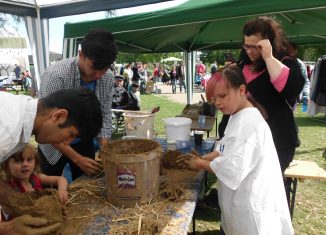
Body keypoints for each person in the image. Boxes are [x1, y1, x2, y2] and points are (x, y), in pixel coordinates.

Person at [181, 66, 293, 235]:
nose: (217, 103)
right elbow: (225, 146)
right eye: (214, 98)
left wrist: (200, 164)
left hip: (252, 218)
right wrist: (208, 156)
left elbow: (232, 169)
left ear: (241, 90)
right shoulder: (237, 114)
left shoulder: (248, 123)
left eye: (223, 96)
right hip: (239, 209)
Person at [217, 17, 305, 205]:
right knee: (246, 191)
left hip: (276, 142)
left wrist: (268, 56)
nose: (249, 51)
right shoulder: (242, 66)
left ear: (268, 42)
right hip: (244, 140)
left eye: (254, 46)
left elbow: (291, 89)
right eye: (246, 46)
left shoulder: (285, 62)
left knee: (267, 193)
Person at [0, 88, 102, 235]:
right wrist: (7, 229)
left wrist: (18, 201)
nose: (66, 142)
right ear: (59, 116)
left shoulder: (21, 113)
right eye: (71, 134)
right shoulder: (6, 133)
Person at [38, 28, 118, 181]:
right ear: (81, 54)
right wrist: (77, 159)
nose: (98, 76)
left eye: (104, 69)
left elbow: (105, 113)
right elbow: (45, 125)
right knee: (51, 190)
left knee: (87, 186)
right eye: (94, 68)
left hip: (84, 140)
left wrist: (105, 148)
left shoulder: (107, 76)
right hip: (52, 145)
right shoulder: (56, 75)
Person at [1, 144, 69, 220]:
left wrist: (62, 190)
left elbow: (61, 179)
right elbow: (7, 210)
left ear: (35, 162)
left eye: (29, 160)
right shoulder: (8, 188)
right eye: (18, 161)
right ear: (7, 166)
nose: (25, 164)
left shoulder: (36, 177)